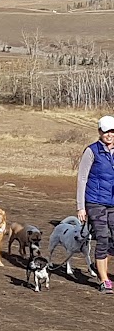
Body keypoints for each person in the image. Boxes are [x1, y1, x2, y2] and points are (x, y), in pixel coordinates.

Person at [76, 114, 114, 294]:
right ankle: (104, 279)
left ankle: (101, 269)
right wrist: (80, 206)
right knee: (103, 237)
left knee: (113, 240)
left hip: (112, 202)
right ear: (100, 132)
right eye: (106, 131)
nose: (110, 135)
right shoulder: (91, 151)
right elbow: (82, 178)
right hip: (95, 201)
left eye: (113, 131)